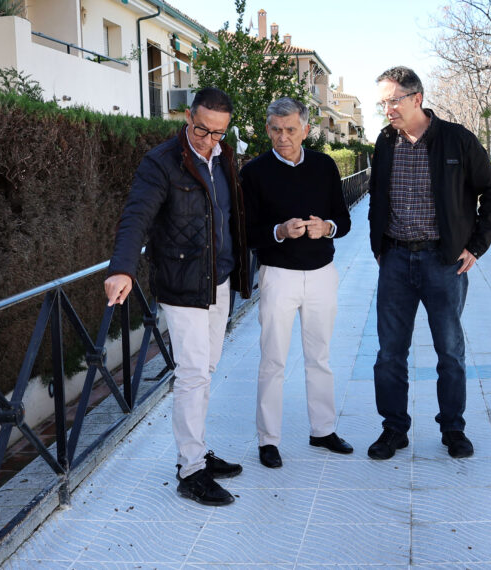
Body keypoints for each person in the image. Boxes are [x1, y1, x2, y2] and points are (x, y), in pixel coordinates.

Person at [104, 87, 250, 506]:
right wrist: (122, 268)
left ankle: (198, 450)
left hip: (218, 279)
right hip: (182, 282)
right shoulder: (161, 162)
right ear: (188, 117)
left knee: (206, 366)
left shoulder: (224, 156)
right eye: (202, 129)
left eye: (219, 133)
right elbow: (136, 216)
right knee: (192, 374)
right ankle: (191, 470)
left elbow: (230, 212)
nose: (209, 140)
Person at [366, 66, 491, 460]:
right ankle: (393, 429)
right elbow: (377, 196)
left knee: (450, 351)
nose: (387, 109)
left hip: (443, 263)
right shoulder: (385, 142)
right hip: (395, 259)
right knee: (390, 353)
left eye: (392, 100)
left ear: (416, 99)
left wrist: (476, 246)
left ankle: (453, 430)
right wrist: (379, 246)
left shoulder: (457, 140)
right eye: (382, 103)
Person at [240, 97, 353, 468]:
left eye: (290, 129)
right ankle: (268, 440)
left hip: (322, 274)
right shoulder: (254, 172)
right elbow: (246, 230)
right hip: (279, 277)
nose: (283, 137)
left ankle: (322, 430)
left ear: (306, 129)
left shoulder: (324, 166)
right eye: (275, 129)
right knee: (272, 359)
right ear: (267, 129)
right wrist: (279, 231)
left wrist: (328, 228)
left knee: (319, 357)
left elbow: (344, 219)